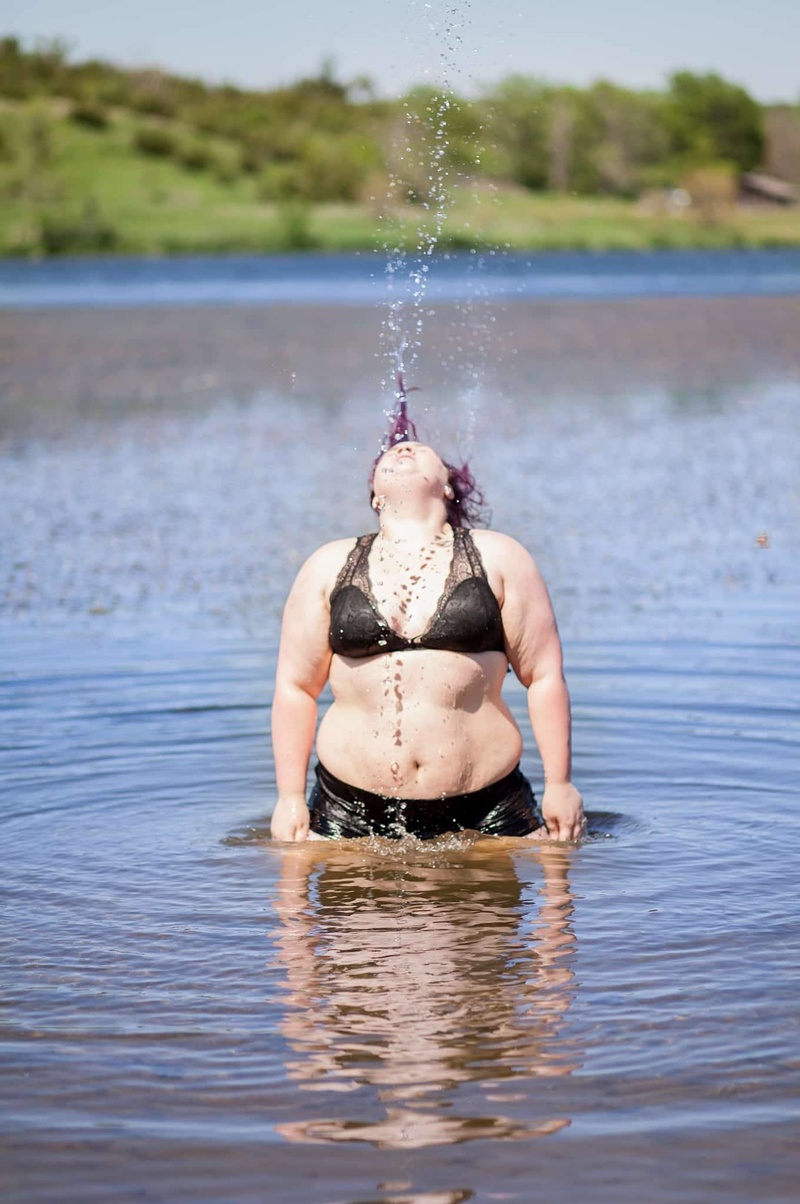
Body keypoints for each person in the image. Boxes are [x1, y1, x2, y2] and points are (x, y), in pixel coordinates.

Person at [270, 384, 584, 842]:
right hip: (349, 808)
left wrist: (560, 784)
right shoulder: (328, 564)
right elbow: (295, 687)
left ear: (450, 486)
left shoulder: (499, 556)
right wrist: (289, 798)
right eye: (391, 453)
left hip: (488, 805)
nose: (405, 448)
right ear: (375, 495)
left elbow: (544, 676)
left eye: (421, 450)